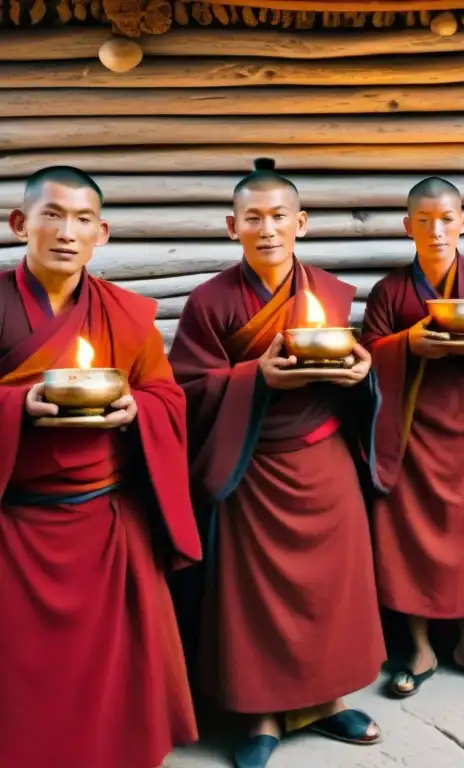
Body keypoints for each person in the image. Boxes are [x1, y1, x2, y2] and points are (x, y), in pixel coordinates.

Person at [168, 159, 385, 768]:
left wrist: (362, 376)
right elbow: (185, 388)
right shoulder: (208, 303)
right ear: (230, 225)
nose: (268, 229)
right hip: (251, 467)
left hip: (324, 458)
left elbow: (349, 367)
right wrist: (251, 378)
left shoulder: (332, 293)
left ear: (302, 223)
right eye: (253, 218)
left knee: (329, 590)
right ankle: (260, 714)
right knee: (255, 597)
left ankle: (328, 699)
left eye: (280, 217)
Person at [0, 166, 201, 768]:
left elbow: (168, 397)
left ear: (102, 233)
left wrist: (135, 407)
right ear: (19, 223)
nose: (67, 232)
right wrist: (15, 406)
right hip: (14, 522)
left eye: (83, 219)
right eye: (52, 215)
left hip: (108, 522)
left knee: (116, 673)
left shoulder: (127, 315)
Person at [360, 176, 464, 697]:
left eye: (447, 218)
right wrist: (411, 346)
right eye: (425, 220)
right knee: (410, 541)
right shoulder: (389, 291)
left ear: (463, 222)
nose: (437, 231)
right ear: (408, 225)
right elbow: (368, 354)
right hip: (409, 433)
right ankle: (419, 646)